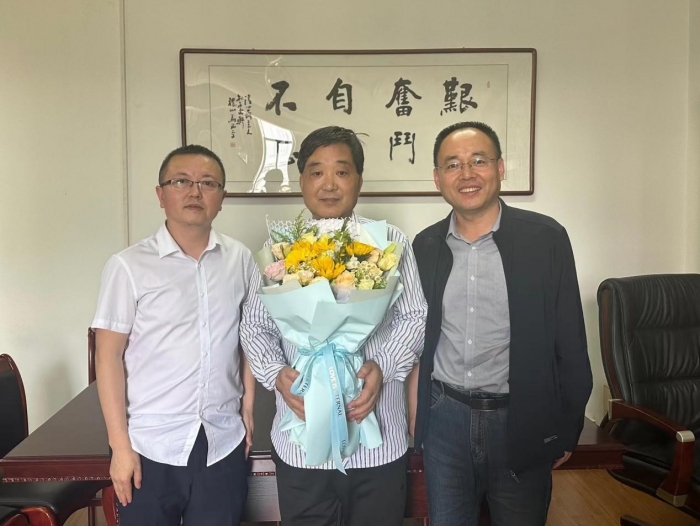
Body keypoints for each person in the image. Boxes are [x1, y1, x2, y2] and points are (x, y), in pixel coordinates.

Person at [241, 126, 427, 526]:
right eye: (316, 172)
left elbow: (414, 316)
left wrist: (383, 366)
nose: (329, 184)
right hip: (301, 440)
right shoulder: (278, 249)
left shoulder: (388, 241)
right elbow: (255, 326)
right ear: (301, 181)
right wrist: (276, 374)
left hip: (378, 438)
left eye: (341, 172)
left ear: (359, 179)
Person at [411, 121, 593, 526]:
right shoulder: (425, 246)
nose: (467, 174)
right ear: (438, 178)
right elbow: (416, 339)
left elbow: (571, 340)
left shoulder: (545, 238)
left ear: (500, 168)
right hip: (445, 420)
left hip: (521, 418)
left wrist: (566, 428)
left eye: (479, 160)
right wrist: (417, 421)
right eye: (453, 164)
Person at [92, 144, 256, 525]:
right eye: (181, 181)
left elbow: (250, 339)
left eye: (208, 183)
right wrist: (120, 446)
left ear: (222, 198)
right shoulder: (128, 266)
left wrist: (247, 409)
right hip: (150, 445)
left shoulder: (240, 260)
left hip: (222, 440)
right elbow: (107, 356)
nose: (195, 191)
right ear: (160, 194)